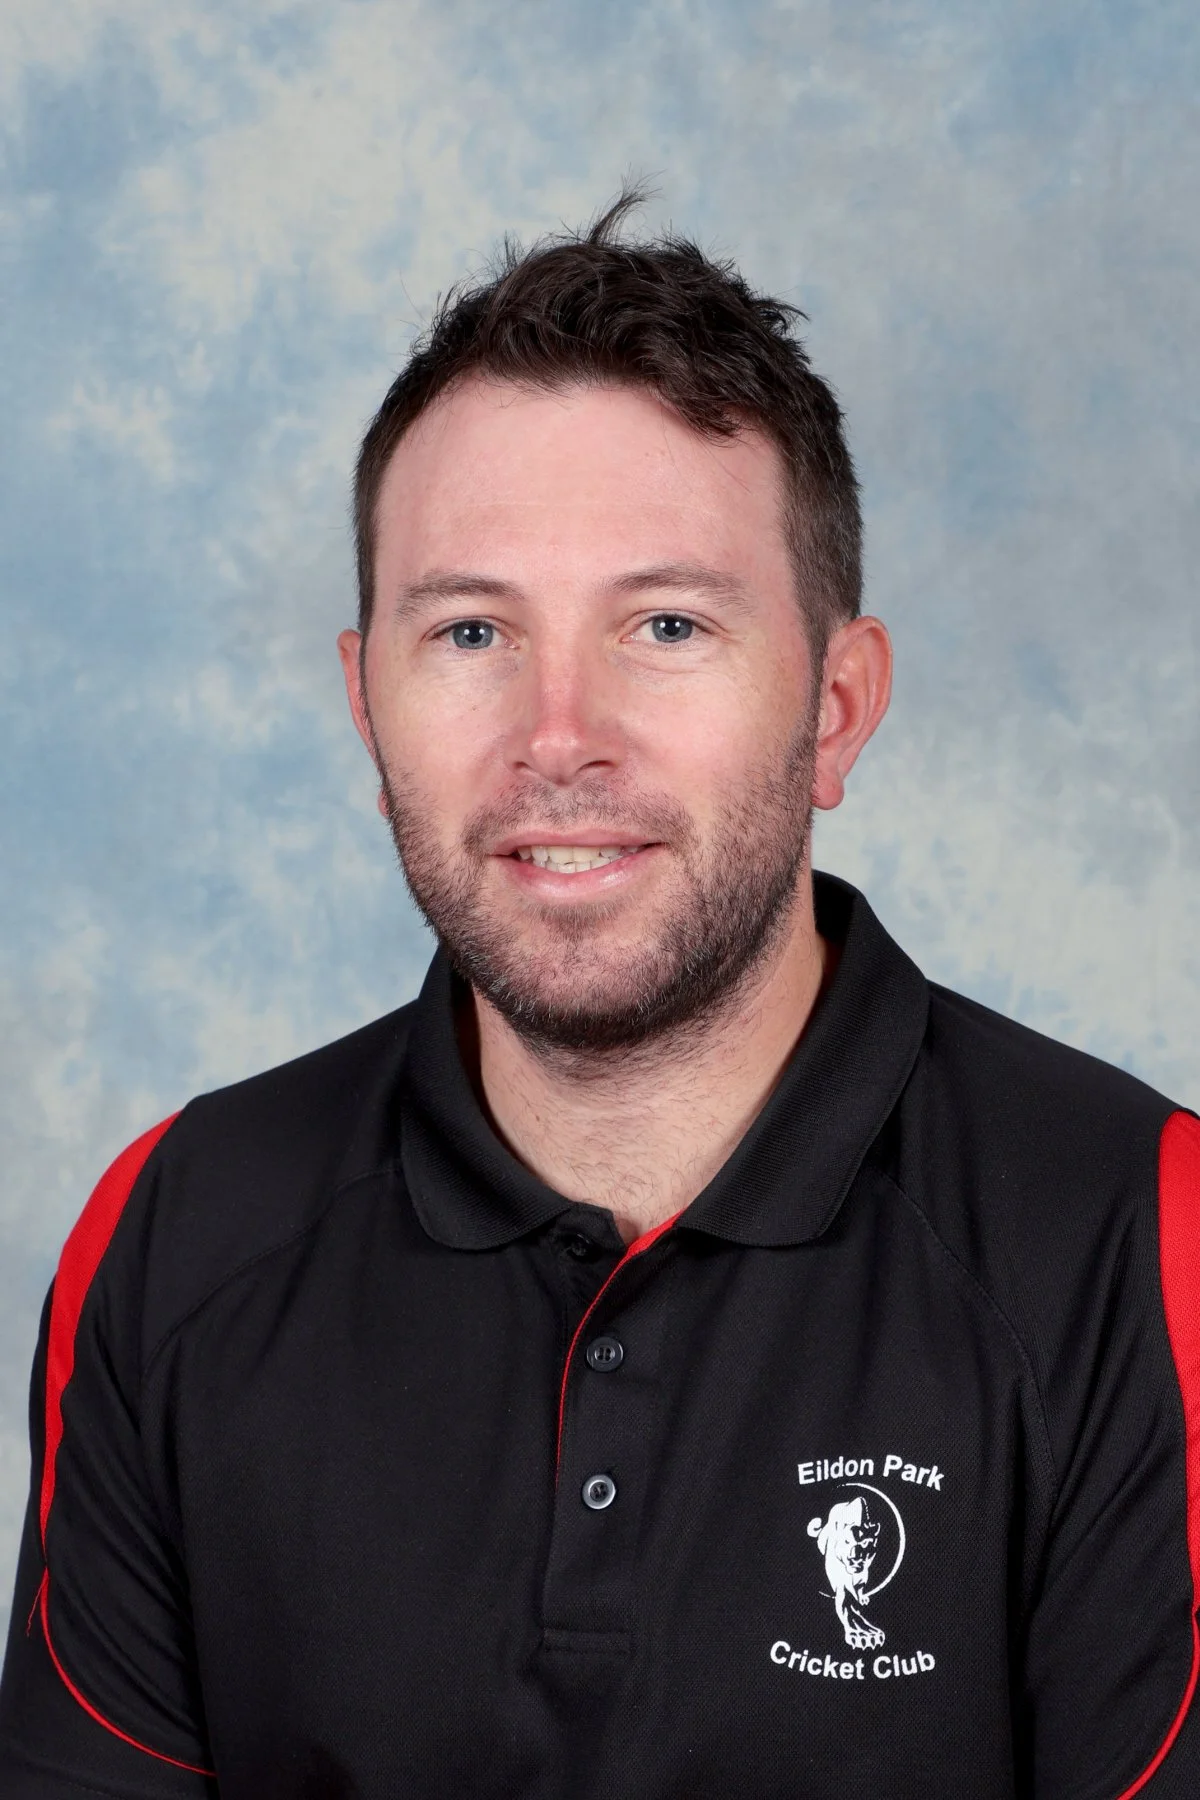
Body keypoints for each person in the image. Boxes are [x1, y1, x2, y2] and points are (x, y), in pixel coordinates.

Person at [1, 191, 1197, 1800]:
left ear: (837, 709)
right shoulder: (175, 1236)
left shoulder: (1147, 1241)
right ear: (366, 705)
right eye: (475, 628)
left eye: (667, 625)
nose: (559, 735)